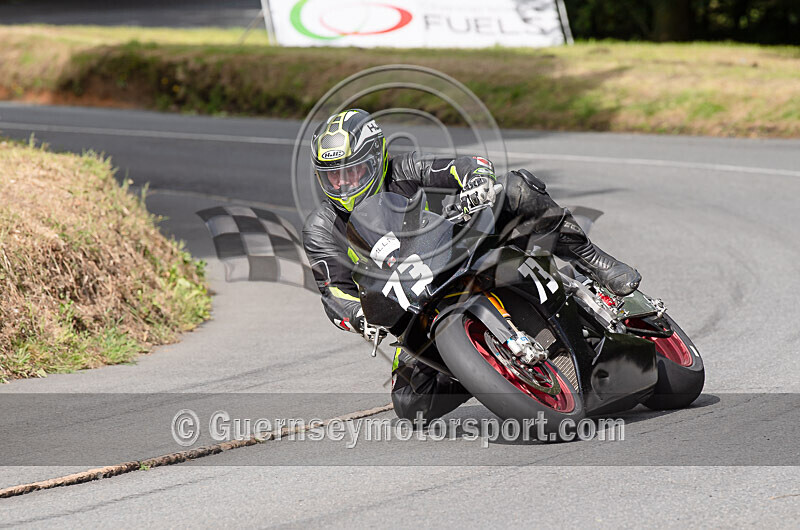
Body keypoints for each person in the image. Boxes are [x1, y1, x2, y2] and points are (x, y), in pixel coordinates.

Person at [302, 109, 641, 424]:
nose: (344, 184)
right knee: (410, 405)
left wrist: (476, 182)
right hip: (412, 308)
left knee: (516, 189)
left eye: (353, 171)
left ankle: (592, 259)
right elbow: (332, 291)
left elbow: (464, 165)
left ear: (376, 159)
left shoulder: (404, 170)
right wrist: (357, 316)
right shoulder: (320, 228)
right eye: (333, 178)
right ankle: (479, 368)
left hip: (458, 251)